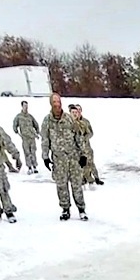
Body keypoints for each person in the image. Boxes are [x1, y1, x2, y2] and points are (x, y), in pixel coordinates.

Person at [41, 93, 89, 221]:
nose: (57, 104)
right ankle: (65, 209)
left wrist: (83, 154)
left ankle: (81, 209)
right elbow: (45, 140)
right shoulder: (47, 121)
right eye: (54, 101)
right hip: (59, 159)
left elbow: (79, 137)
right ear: (51, 103)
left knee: (76, 185)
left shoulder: (69, 119)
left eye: (58, 101)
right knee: (61, 185)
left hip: (73, 158)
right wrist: (45, 156)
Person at [72, 103, 103, 185]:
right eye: (75, 111)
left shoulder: (85, 122)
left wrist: (84, 139)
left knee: (90, 163)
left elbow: (90, 133)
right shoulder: (70, 122)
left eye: (79, 110)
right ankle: (82, 179)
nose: (77, 112)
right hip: (76, 148)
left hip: (86, 147)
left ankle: (96, 178)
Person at [13, 100, 40, 173]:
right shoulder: (19, 117)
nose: (26, 108)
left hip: (32, 137)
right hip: (25, 138)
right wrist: (16, 130)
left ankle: (35, 166)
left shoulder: (30, 116)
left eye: (27, 106)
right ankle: (29, 167)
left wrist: (37, 131)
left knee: (33, 152)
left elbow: (36, 124)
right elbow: (15, 125)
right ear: (22, 106)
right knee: (27, 152)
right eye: (24, 106)